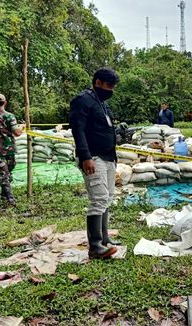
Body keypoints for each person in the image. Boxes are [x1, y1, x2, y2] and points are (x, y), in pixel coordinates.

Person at [70, 67, 120, 259]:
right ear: (97, 82)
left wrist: (114, 156)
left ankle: (105, 239)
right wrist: (85, 156)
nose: (111, 90)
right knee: (98, 198)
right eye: (109, 85)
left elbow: (108, 130)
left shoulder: (102, 103)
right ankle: (95, 246)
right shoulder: (83, 100)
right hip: (93, 157)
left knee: (108, 197)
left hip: (108, 157)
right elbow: (78, 130)